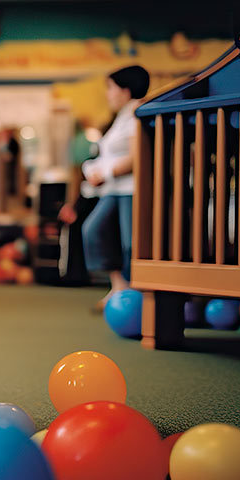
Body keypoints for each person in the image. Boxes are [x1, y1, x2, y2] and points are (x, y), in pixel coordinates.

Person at [64, 65, 149, 312]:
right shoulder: (121, 117)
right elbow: (109, 155)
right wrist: (94, 170)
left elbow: (135, 159)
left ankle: (135, 294)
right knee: (93, 230)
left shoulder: (136, 114)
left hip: (131, 190)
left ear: (125, 90)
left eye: (111, 88)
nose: (108, 94)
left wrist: (105, 172)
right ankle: (119, 287)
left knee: (130, 244)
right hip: (113, 189)